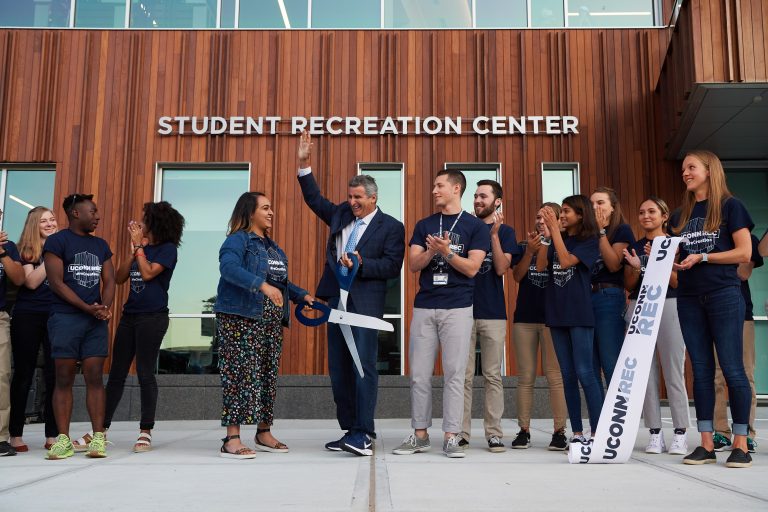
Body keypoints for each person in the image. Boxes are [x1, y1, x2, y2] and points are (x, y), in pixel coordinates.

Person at [297, 131, 405, 457]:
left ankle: (365, 433)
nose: (353, 202)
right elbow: (314, 199)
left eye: (358, 197)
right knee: (340, 368)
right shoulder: (341, 215)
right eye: (350, 196)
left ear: (373, 198)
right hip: (335, 301)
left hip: (365, 306)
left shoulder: (391, 227)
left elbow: (391, 266)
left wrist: (361, 262)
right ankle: (350, 430)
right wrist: (304, 164)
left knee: (363, 367)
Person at [394, 169, 489, 458]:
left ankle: (451, 436)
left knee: (454, 374)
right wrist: (433, 253)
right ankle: (420, 434)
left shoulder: (476, 227)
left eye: (439, 186)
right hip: (424, 306)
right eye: (433, 186)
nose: (434, 190)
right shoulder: (424, 224)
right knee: (420, 375)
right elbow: (412, 265)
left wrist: (447, 252)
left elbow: (472, 268)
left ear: (456, 188)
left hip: (458, 307)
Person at [214, 192, 314, 459]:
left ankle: (263, 432)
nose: (271, 212)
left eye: (271, 208)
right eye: (265, 208)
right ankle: (231, 439)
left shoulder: (272, 247)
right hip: (240, 319)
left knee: (267, 376)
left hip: (269, 322)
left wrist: (302, 295)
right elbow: (228, 268)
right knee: (238, 376)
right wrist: (261, 285)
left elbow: (279, 282)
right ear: (250, 212)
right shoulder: (238, 241)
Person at [670, 150, 753, 468]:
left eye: (691, 167)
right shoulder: (679, 215)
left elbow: (744, 252)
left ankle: (741, 444)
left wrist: (704, 257)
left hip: (724, 295)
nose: (685, 173)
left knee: (732, 369)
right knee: (701, 372)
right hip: (689, 299)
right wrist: (662, 258)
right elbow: (679, 259)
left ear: (709, 170)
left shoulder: (731, 206)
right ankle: (705, 444)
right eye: (683, 169)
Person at [98, 201, 185, 452]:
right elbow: (121, 277)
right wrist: (134, 249)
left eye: (145, 219)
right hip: (130, 316)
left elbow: (147, 274)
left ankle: (145, 431)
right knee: (116, 374)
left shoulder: (168, 250)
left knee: (145, 372)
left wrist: (138, 247)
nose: (140, 223)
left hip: (153, 317)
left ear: (156, 223)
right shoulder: (141, 248)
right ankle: (100, 430)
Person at [43, 194, 115, 460]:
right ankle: (63, 440)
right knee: (63, 379)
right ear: (75, 213)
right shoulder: (57, 241)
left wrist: (104, 308)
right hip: (65, 318)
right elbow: (57, 282)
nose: (97, 216)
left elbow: (109, 280)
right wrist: (87, 308)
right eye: (92, 211)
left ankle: (98, 439)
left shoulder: (101, 245)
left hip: (94, 321)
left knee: (95, 377)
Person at [622, 197, 690, 455]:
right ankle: (654, 433)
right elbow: (629, 285)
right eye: (641, 212)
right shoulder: (635, 246)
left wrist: (658, 262)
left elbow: (676, 283)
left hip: (669, 305)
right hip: (640, 307)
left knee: (673, 371)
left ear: (664, 216)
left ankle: (681, 432)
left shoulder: (676, 244)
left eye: (652, 211)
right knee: (646, 373)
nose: (646, 216)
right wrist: (637, 267)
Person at [536, 195, 604, 443]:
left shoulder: (589, 240)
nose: (561, 216)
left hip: (579, 313)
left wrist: (554, 229)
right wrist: (547, 234)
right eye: (560, 212)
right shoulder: (557, 238)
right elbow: (542, 266)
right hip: (556, 313)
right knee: (567, 375)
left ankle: (597, 431)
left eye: (566, 212)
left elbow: (565, 262)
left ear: (581, 214)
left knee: (586, 372)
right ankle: (576, 432)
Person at [459, 180, 519, 452]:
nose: (477, 200)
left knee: (493, 375)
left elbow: (501, 267)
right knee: (464, 376)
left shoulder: (506, 232)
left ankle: (494, 434)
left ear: (497, 201)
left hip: (493, 312)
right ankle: (460, 433)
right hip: (461, 310)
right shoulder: (464, 228)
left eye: (483, 196)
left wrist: (493, 235)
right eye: (475, 196)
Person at [509, 203, 568, 450]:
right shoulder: (525, 246)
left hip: (553, 319)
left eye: (547, 216)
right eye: (538, 216)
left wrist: (547, 243)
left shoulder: (562, 245)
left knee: (555, 377)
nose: (541, 220)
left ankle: (559, 431)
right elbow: (517, 276)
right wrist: (529, 253)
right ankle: (523, 430)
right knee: (526, 377)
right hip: (525, 318)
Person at [8, 207, 58, 453]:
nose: (50, 224)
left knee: (54, 375)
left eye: (52, 219)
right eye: (44, 221)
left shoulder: (62, 248)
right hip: (28, 316)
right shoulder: (26, 250)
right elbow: (31, 281)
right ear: (33, 226)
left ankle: (52, 434)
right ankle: (15, 434)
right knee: (23, 375)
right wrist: (51, 253)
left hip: (56, 315)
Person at [711, 234, 763, 453]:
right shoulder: (709, 237)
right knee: (718, 374)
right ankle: (720, 433)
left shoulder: (749, 238)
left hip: (742, 313)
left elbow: (742, 273)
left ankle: (747, 433)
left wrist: (716, 260)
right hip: (712, 312)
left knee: (746, 374)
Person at [590, 187, 634, 386]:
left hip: (608, 295)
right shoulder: (587, 233)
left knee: (610, 361)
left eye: (600, 203)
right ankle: (598, 417)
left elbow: (614, 264)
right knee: (591, 366)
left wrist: (600, 233)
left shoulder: (621, 229)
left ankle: (617, 415)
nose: (595, 207)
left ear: (613, 207)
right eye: (591, 204)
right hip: (586, 297)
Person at [0, 209, 27, 456]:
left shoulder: (7, 247)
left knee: (2, 376)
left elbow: (19, 278)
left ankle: (0, 437)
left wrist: (2, 253)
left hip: (0, 317)